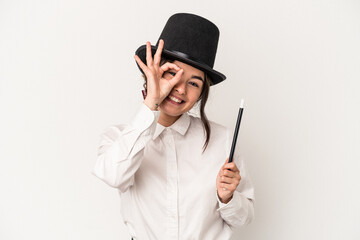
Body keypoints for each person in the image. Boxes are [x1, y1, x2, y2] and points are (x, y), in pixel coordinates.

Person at [92, 13, 255, 240]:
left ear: (201, 93)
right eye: (172, 74)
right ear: (153, 72)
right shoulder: (119, 137)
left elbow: (244, 218)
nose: (180, 89)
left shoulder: (223, 140)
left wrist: (227, 198)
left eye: (193, 83)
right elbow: (113, 175)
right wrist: (152, 102)